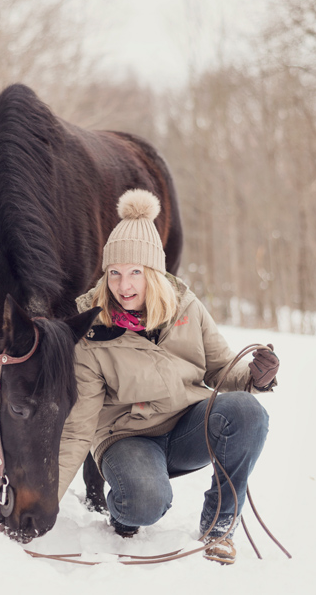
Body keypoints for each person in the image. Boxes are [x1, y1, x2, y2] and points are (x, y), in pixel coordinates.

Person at [58, 189, 279, 564]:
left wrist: (256, 377)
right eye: (114, 273)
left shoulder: (187, 306)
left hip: (186, 425)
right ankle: (126, 507)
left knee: (247, 411)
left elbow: (220, 368)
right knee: (145, 502)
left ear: (154, 273)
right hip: (126, 437)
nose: (123, 286)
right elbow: (80, 427)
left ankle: (220, 524)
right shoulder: (91, 328)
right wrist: (48, 499)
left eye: (134, 273)